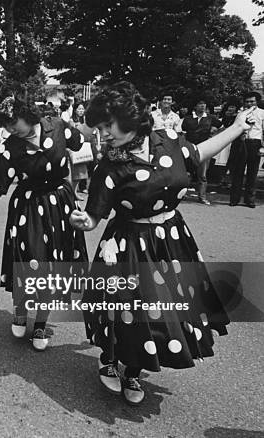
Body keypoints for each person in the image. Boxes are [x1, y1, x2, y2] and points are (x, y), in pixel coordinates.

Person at [69, 81, 257, 406]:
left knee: (161, 314)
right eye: (98, 127)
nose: (103, 134)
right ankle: (112, 359)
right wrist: (82, 222)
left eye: (107, 126)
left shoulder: (169, 142)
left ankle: (133, 370)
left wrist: (237, 127)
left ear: (130, 119)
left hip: (170, 241)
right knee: (130, 311)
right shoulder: (111, 166)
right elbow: (94, 215)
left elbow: (201, 151)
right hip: (128, 245)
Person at [0, 95, 88, 350]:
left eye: (13, 122)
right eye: (6, 124)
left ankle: (41, 324)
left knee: (52, 266)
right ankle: (21, 310)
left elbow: (81, 144)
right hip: (28, 208)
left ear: (27, 113)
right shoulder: (10, 147)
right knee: (29, 262)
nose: (10, 128)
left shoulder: (57, 126)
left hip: (60, 204)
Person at [181, 100, 223, 205]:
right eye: (200, 104)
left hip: (205, 149)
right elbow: (183, 133)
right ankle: (182, 194)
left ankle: (202, 196)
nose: (202, 106)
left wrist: (213, 136)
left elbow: (222, 127)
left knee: (202, 175)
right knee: (187, 173)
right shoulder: (188, 119)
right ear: (195, 106)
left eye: (204, 104)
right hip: (190, 149)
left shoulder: (210, 118)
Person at [229, 92, 264, 208]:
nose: (249, 104)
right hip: (241, 142)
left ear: (257, 101)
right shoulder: (240, 114)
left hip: (255, 142)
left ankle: (250, 200)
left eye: (252, 101)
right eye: (247, 101)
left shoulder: (262, 113)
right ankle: (235, 199)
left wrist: (262, 147)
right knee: (238, 172)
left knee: (252, 173)